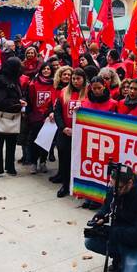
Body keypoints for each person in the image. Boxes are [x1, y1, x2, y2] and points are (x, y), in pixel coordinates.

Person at [84, 164, 137, 272]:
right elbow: (107, 206)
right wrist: (100, 216)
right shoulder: (115, 188)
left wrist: (112, 232)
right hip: (120, 235)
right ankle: (119, 258)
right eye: (112, 185)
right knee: (90, 241)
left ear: (130, 183)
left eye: (118, 188)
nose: (114, 191)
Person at [0, 57, 26, 180]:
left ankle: (9, 167)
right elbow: (0, 102)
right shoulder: (2, 81)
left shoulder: (14, 79)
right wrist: (18, 102)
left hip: (12, 117)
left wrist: (22, 100)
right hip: (3, 116)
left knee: (11, 144)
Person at [54, 68, 87, 197]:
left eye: (78, 79)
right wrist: (63, 128)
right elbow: (57, 112)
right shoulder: (63, 92)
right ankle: (65, 185)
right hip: (66, 132)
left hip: (81, 133)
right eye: (73, 78)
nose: (75, 81)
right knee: (64, 159)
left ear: (83, 79)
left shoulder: (88, 93)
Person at [27, 63, 55, 174]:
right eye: (44, 69)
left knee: (46, 141)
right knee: (34, 141)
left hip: (48, 118)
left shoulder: (54, 84)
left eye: (48, 69)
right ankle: (33, 163)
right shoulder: (33, 83)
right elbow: (30, 100)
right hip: (35, 117)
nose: (46, 70)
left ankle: (43, 161)